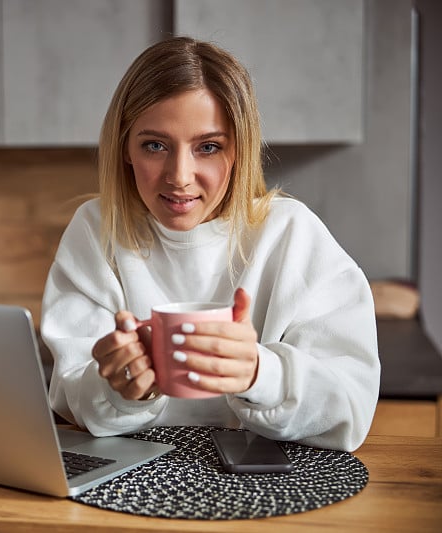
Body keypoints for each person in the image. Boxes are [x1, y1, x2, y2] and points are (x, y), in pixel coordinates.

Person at [40, 36, 380, 452]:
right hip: (133, 483)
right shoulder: (96, 231)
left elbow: (350, 407)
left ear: (239, 149)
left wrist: (259, 372)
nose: (179, 176)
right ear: (125, 148)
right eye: (155, 145)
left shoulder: (291, 235)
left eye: (208, 147)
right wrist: (118, 387)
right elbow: (73, 398)